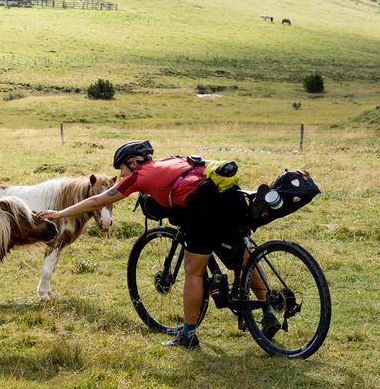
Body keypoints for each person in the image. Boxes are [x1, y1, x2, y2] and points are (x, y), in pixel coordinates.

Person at [37, 140, 280, 348]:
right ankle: (268, 311)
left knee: (193, 272)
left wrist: (58, 214)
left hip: (207, 207)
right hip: (233, 199)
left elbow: (98, 200)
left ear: (132, 162)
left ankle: (187, 335)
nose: (121, 175)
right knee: (244, 258)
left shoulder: (139, 176)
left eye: (121, 168)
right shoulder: (173, 160)